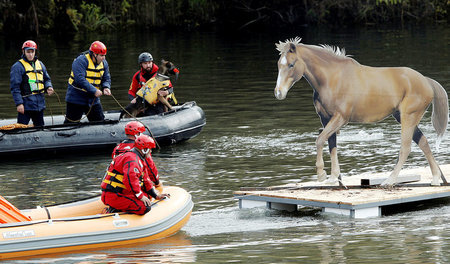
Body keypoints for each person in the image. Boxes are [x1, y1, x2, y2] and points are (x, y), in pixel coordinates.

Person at [101, 134, 169, 215]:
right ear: (144, 150)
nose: (150, 151)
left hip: (121, 193)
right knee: (144, 207)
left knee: (147, 197)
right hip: (115, 195)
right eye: (150, 149)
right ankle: (113, 211)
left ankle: (119, 208)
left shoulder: (139, 159)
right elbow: (130, 180)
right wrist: (140, 196)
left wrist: (156, 196)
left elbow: (146, 180)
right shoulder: (132, 159)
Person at [64, 41, 111, 123]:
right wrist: (94, 90)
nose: (103, 58)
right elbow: (79, 79)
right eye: (101, 55)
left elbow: (106, 78)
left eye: (104, 55)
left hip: (93, 100)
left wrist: (106, 87)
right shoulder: (81, 61)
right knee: (71, 125)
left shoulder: (104, 63)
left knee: (100, 123)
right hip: (76, 98)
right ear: (94, 54)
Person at [10, 40, 54, 127]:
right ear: (24, 52)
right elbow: (15, 88)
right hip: (26, 105)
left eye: (32, 52)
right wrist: (19, 104)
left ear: (35, 52)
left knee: (40, 127)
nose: (30, 54)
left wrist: (49, 86)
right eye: (28, 52)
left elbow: (46, 79)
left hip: (39, 105)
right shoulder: (17, 67)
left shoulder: (40, 64)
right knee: (21, 128)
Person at [111, 121, 164, 193]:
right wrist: (157, 182)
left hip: (116, 185)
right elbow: (149, 167)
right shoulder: (140, 148)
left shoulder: (117, 148)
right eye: (141, 133)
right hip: (133, 184)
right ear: (137, 134)